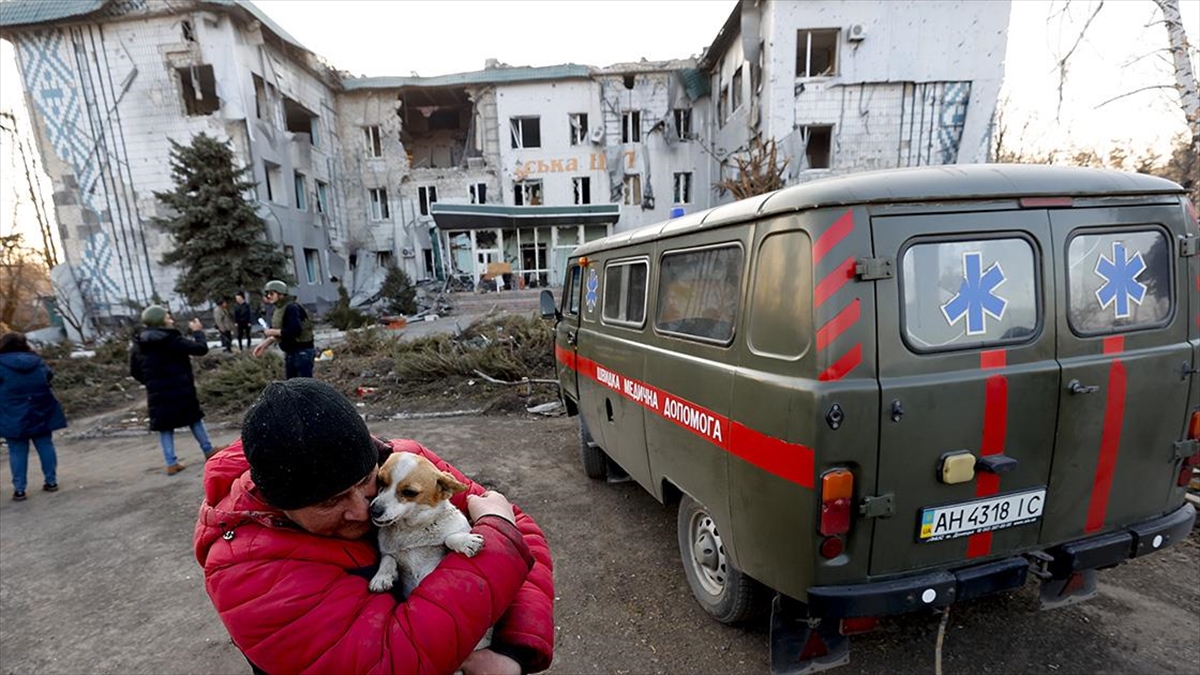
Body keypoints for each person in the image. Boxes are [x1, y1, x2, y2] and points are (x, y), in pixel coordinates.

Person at [194, 379, 554, 674]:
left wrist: (513, 650)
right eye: (330, 502)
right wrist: (496, 534)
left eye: (368, 481)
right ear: (281, 504)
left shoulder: (399, 464)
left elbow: (521, 532)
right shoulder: (245, 571)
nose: (365, 511)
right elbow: (387, 661)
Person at [129, 305, 214, 474]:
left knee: (165, 426)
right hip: (181, 389)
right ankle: (209, 451)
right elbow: (200, 349)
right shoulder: (171, 339)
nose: (171, 320)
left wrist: (151, 382)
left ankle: (171, 463)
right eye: (168, 317)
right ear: (159, 320)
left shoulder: (139, 344)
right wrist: (197, 331)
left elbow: (134, 371)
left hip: (158, 393)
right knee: (194, 419)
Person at [0, 332, 65, 501]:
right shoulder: (36, 361)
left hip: (11, 412)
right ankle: (51, 482)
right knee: (45, 445)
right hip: (40, 409)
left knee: (17, 451)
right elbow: (49, 377)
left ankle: (20, 490)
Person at [253, 280, 316, 379]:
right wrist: (265, 343)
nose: (269, 296)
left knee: (304, 388)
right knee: (292, 387)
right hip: (291, 352)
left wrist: (272, 332)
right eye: (267, 294)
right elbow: (284, 331)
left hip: (301, 352)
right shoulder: (280, 308)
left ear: (281, 294)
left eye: (271, 293)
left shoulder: (292, 308)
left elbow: (294, 330)